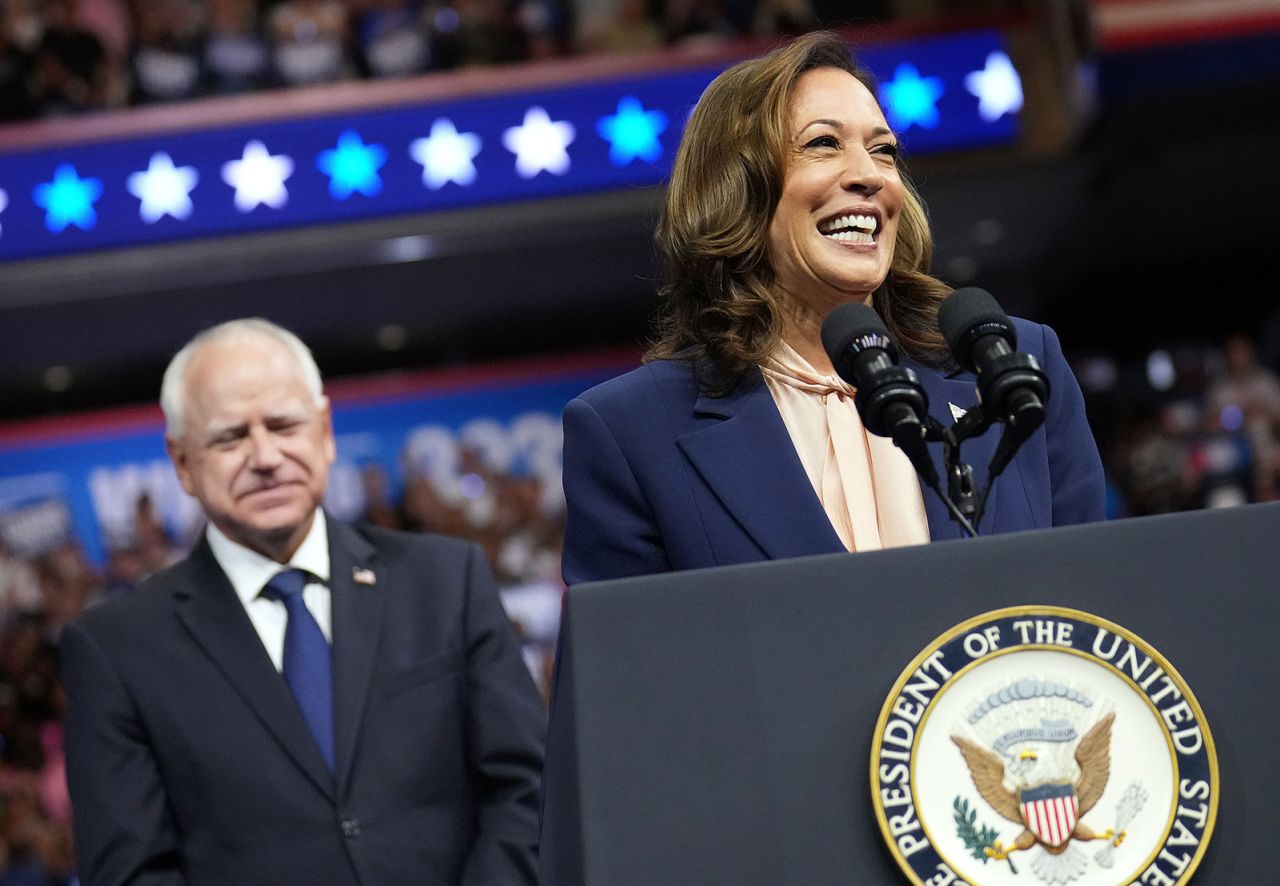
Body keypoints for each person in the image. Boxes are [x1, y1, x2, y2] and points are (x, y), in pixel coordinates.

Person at [561, 31, 1104, 585]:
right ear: (735, 189)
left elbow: (1097, 605)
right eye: (823, 144)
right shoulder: (630, 433)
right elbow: (628, 663)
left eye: (883, 150)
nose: (868, 175)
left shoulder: (1015, 367)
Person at [60, 319, 545, 886]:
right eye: (230, 437)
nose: (265, 456)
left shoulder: (443, 580)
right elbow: (132, 872)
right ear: (182, 463)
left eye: (284, 425)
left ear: (325, 431)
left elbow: (526, 787)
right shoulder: (117, 648)